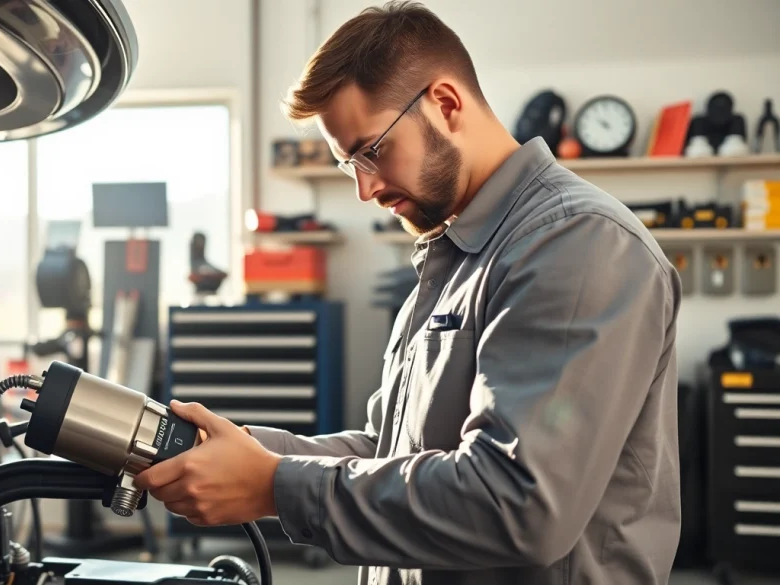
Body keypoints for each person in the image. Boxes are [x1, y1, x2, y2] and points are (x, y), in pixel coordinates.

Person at [134, 2, 683, 583]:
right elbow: (392, 453)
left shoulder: (576, 243)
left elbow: (519, 503)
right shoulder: (452, 255)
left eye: (372, 150)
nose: (365, 189)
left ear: (445, 105)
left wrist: (273, 485)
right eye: (350, 165)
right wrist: (251, 451)